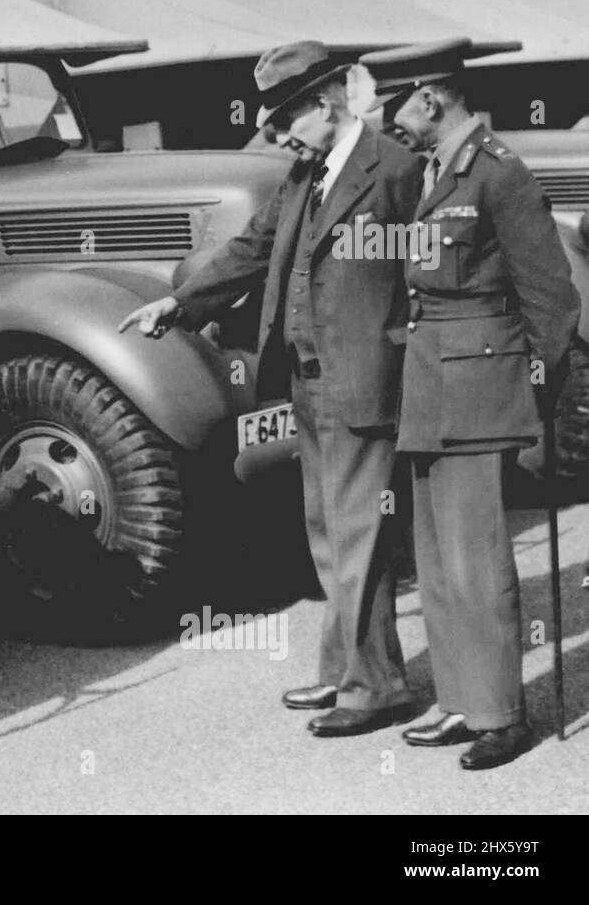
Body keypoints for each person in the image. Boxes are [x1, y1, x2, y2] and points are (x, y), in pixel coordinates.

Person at [119, 40, 422, 737]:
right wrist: (181, 303)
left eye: (287, 115)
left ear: (325, 104)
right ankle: (344, 668)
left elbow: (431, 268)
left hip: (365, 380)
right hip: (309, 381)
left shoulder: (396, 169)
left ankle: (376, 687)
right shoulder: (301, 175)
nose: (279, 132)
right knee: (326, 533)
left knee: (361, 536)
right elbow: (252, 250)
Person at [360, 38, 580, 769]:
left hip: (478, 388)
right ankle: (460, 701)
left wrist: (533, 392)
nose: (389, 118)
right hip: (430, 383)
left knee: (478, 560)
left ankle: (499, 715)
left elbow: (552, 299)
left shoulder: (498, 172)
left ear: (429, 97)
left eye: (395, 102)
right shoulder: (434, 170)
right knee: (440, 559)